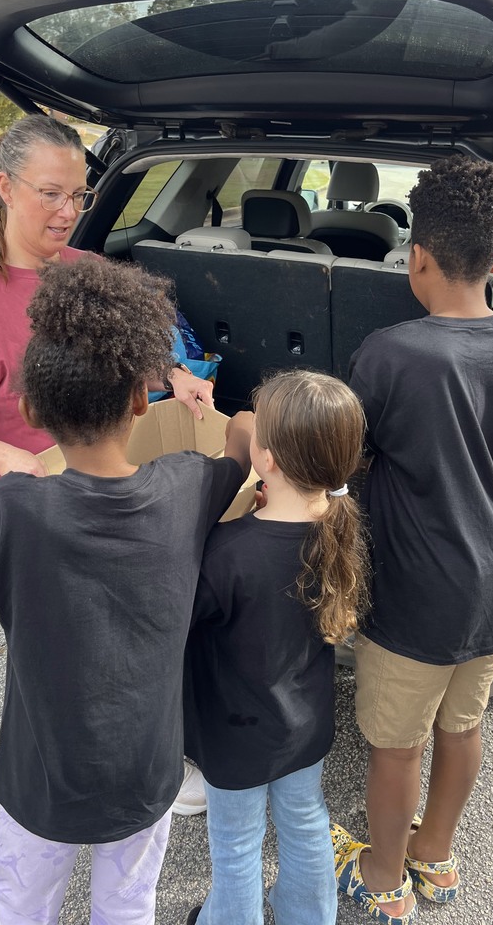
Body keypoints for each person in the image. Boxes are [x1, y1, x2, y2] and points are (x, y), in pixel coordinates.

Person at [0, 255, 254, 925]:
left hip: (39, 776)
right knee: (129, 907)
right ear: (142, 401)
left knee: (21, 905)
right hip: (145, 771)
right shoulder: (187, 487)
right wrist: (202, 394)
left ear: (29, 409)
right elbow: (244, 445)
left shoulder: (13, 509)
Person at [332, 155, 493, 923]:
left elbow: (350, 459)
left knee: (397, 744)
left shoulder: (389, 353)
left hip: (414, 586)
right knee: (462, 726)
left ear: (415, 256)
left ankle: (386, 879)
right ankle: (437, 853)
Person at [0, 113, 216, 511]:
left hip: (108, 497)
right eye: (51, 194)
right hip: (28, 511)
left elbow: (120, 362)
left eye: (79, 195)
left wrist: (175, 376)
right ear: (7, 189)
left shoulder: (93, 271)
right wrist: (8, 458)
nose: (69, 213)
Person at [183, 369, 370, 925]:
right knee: (305, 822)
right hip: (304, 725)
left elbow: (181, 624)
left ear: (269, 460)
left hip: (235, 733)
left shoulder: (227, 550)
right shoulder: (340, 530)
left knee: (237, 845)